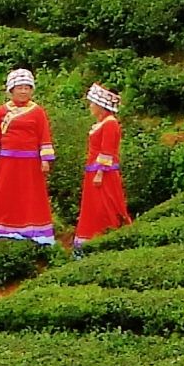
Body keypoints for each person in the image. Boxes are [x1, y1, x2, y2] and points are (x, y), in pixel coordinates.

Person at [0, 68, 58, 244]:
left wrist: (45, 159)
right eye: (20, 87)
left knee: (30, 193)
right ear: (11, 90)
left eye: (27, 88)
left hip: (30, 161)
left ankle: (32, 226)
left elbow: (44, 136)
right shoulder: (1, 111)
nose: (23, 91)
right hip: (7, 160)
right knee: (4, 192)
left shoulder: (37, 112)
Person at [72, 83, 132, 251]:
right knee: (94, 205)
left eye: (93, 104)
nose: (91, 107)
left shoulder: (110, 124)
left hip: (103, 172)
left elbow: (108, 150)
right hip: (94, 170)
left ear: (100, 106)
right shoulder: (103, 123)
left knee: (104, 205)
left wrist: (100, 172)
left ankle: (104, 235)